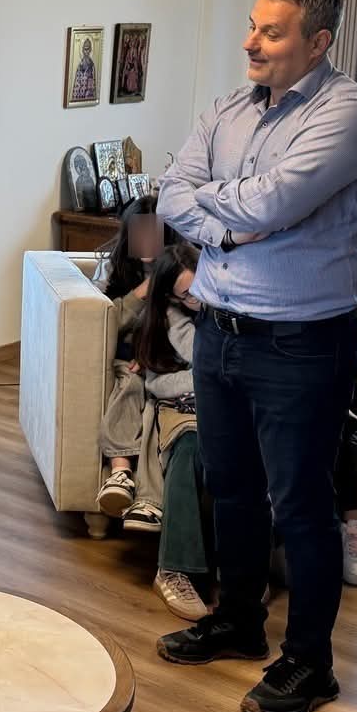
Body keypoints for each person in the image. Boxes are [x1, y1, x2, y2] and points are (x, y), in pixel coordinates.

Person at [156, 0, 357, 712]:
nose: (250, 42)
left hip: (302, 342)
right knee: (230, 487)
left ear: (318, 42)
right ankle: (238, 620)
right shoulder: (230, 107)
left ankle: (310, 665)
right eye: (253, 25)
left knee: (301, 504)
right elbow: (172, 193)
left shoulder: (351, 114)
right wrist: (236, 224)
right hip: (219, 331)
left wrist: (225, 207)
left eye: (271, 31)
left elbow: (277, 199)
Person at [132, 245, 212, 621]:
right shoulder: (163, 320)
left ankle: (244, 569)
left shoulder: (228, 304)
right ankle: (173, 570)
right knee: (189, 448)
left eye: (202, 287)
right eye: (188, 294)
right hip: (181, 409)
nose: (199, 298)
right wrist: (207, 380)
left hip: (234, 407)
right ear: (170, 297)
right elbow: (157, 382)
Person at [93, 196, 174, 523]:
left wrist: (151, 353)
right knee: (130, 384)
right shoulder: (113, 268)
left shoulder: (180, 265)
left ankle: (149, 500)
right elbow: (104, 325)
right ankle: (120, 471)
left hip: (163, 359)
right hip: (125, 359)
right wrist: (142, 291)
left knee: (156, 406)